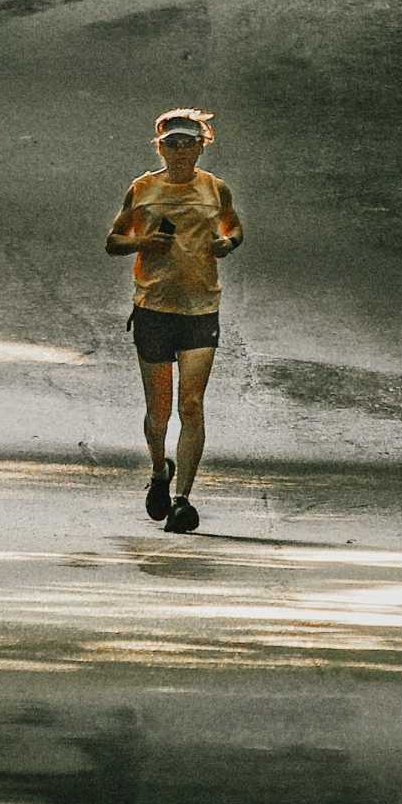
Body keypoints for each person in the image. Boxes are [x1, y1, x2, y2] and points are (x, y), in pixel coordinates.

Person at [104, 108, 244, 532]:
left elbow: (234, 229)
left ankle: (182, 500)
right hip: (154, 310)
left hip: (201, 309)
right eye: (172, 144)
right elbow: (113, 241)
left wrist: (226, 243)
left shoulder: (215, 189)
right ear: (160, 147)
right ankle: (158, 472)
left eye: (189, 143)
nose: (181, 152)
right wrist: (144, 241)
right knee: (160, 410)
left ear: (202, 145)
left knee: (192, 404)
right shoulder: (143, 188)